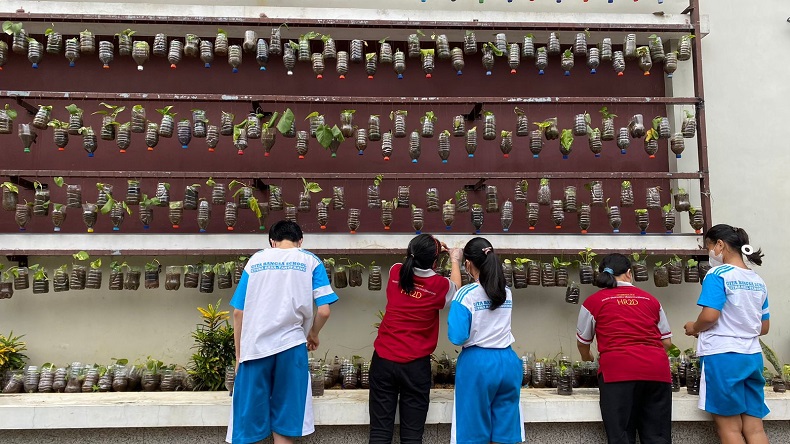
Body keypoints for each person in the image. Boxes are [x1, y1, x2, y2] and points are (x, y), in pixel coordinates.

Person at [226, 220, 338, 444]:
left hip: (255, 350)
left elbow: (239, 312)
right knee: (286, 423)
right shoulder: (310, 260)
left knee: (248, 425)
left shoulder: (256, 260)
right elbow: (324, 311)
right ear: (301, 241)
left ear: (271, 242)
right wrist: (313, 334)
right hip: (292, 348)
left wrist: (239, 355)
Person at [369, 233, 460, 444]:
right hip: (415, 366)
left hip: (383, 360)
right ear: (435, 262)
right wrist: (454, 259)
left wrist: (430, 247)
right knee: (411, 436)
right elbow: (456, 291)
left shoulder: (395, 272)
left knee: (380, 433)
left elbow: (413, 257)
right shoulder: (440, 286)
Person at [683, 224, 769, 444]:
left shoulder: (717, 274)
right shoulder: (757, 280)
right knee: (755, 430)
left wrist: (694, 327)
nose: (709, 252)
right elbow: (764, 327)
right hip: (752, 357)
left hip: (723, 357)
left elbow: (710, 316)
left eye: (708, 246)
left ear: (720, 245)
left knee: (729, 430)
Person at [576, 253, 674, 444]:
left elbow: (583, 342)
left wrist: (587, 357)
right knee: (657, 437)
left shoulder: (594, 302)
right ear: (629, 273)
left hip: (617, 373)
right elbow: (667, 342)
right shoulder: (651, 300)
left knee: (621, 436)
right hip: (656, 372)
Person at [447, 237, 524, 444]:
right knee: (504, 434)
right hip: (508, 361)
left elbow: (457, 336)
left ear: (468, 264)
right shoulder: (505, 292)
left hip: (478, 365)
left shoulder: (465, 294)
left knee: (473, 433)